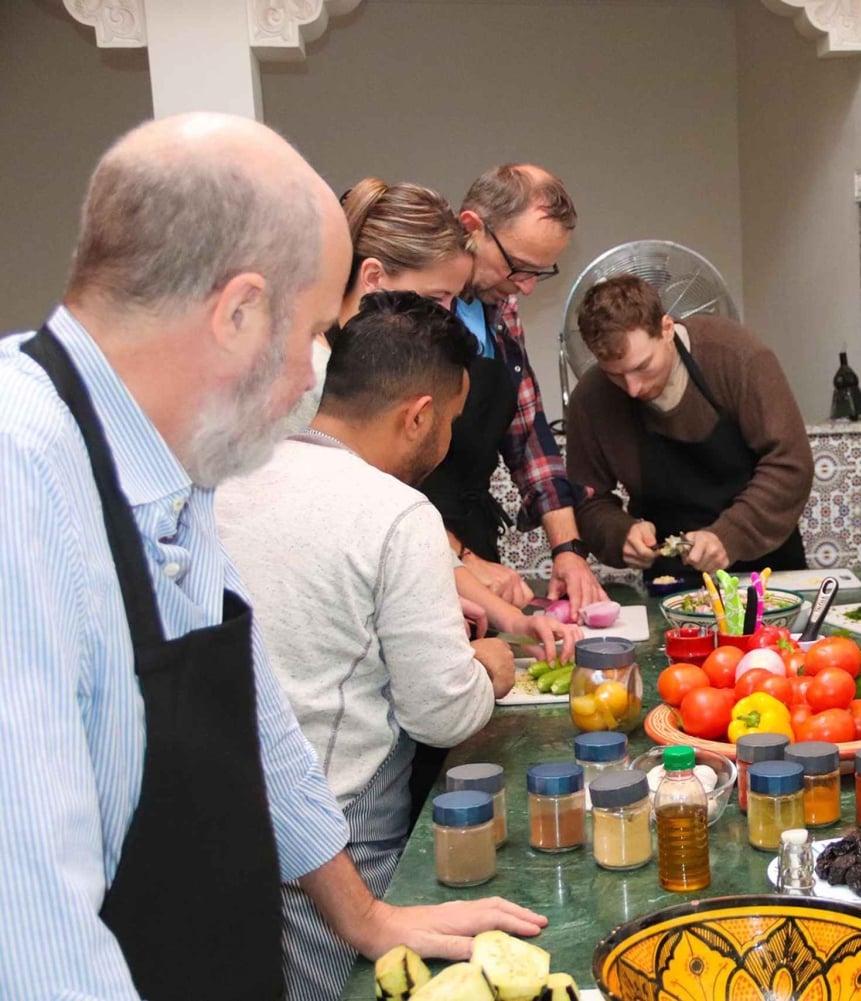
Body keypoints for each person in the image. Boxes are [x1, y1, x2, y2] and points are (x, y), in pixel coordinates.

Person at [0, 114, 544, 1001]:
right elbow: (29, 917)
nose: (314, 374)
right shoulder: (19, 471)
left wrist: (364, 915)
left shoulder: (184, 466)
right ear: (239, 311)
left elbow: (263, 726)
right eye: (317, 332)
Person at [217, 292, 523, 1000]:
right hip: (340, 830)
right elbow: (441, 714)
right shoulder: (395, 511)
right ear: (417, 415)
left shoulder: (234, 476)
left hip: (232, 822)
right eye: (448, 422)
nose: (445, 438)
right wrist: (488, 670)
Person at [435, 163, 606, 611]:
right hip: (419, 550)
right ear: (471, 227)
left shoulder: (501, 307)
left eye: (539, 273)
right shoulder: (415, 308)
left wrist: (567, 550)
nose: (526, 289)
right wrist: (458, 558)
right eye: (518, 268)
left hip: (472, 535)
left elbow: (528, 433)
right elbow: (381, 479)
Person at [565, 274, 814, 574]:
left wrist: (728, 536)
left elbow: (790, 464)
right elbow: (588, 500)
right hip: (669, 578)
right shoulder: (590, 399)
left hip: (767, 569)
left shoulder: (736, 356)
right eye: (615, 375)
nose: (633, 388)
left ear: (667, 328)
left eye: (643, 367)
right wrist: (620, 533)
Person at [281, 178, 474, 436]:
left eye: (455, 299)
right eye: (435, 298)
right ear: (373, 277)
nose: (448, 314)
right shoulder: (305, 381)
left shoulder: (364, 367)